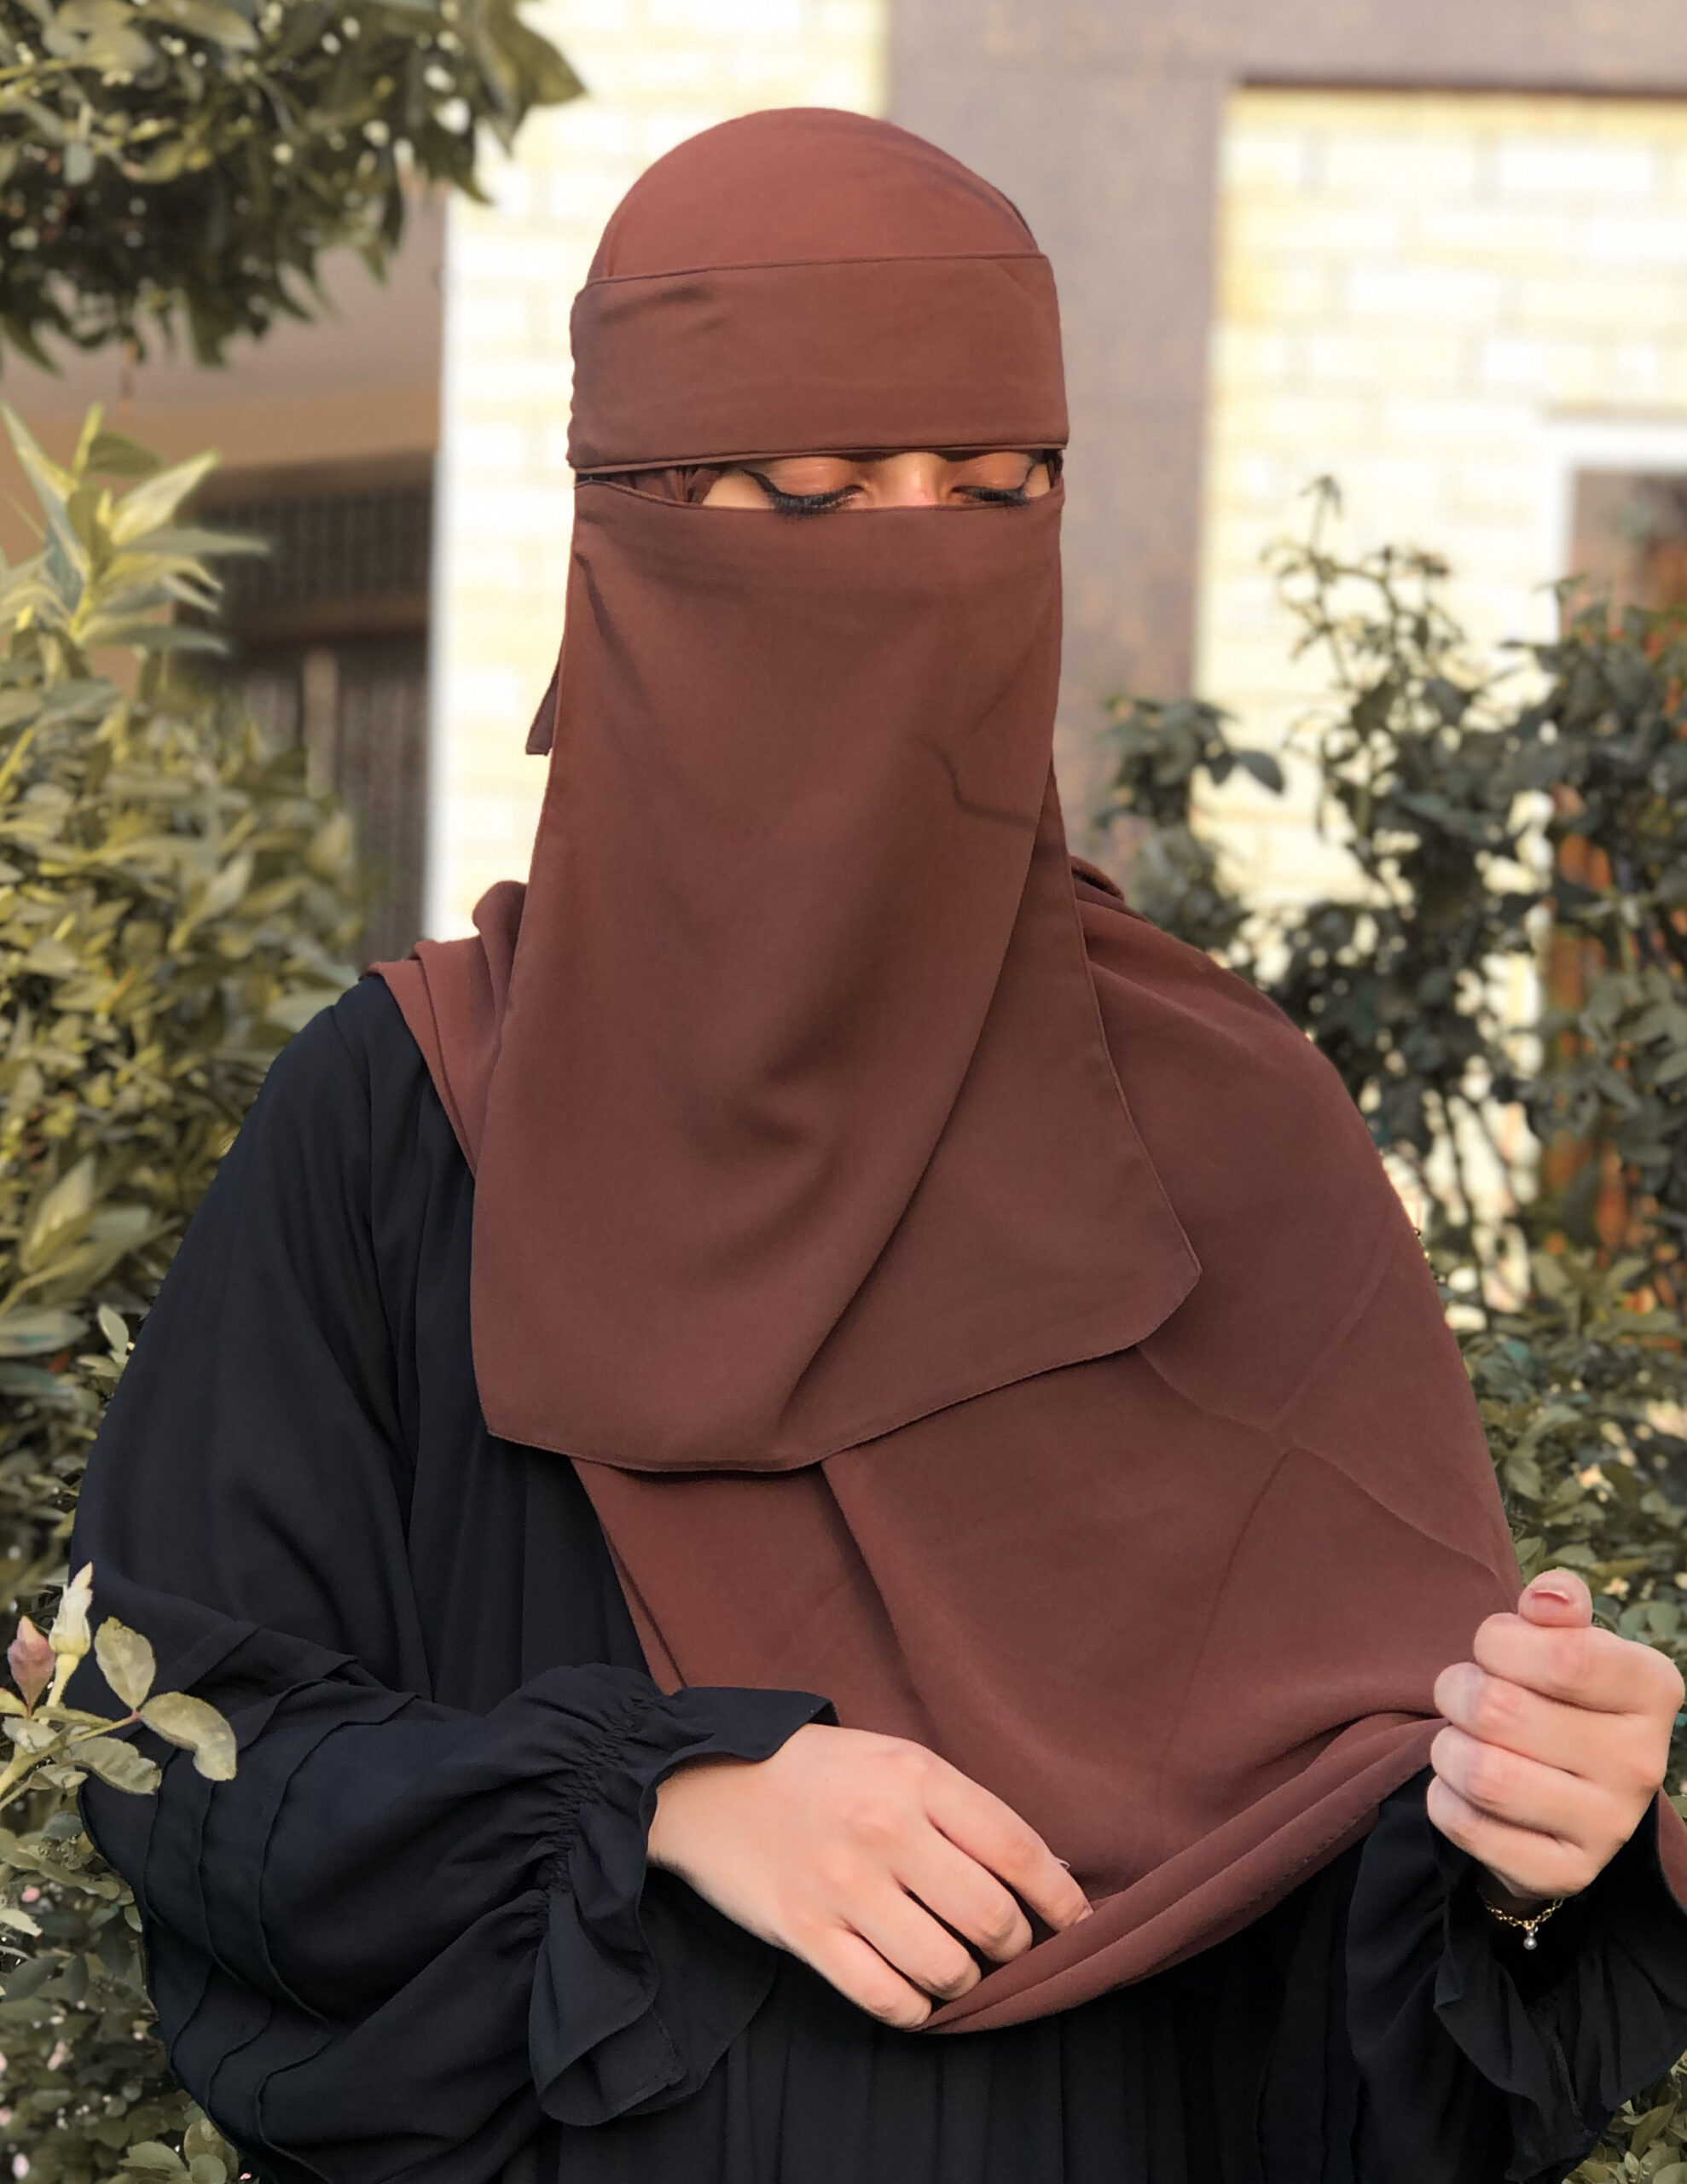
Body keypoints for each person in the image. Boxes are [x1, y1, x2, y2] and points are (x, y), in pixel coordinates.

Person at [71, 108, 1687, 2184]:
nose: (920, 565)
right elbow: (182, 1744)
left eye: (994, 493)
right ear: (625, 535)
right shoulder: (401, 1124)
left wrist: (1526, 1847)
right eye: (813, 498)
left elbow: (1354, 1990)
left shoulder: (1224, 1135)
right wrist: (661, 1796)